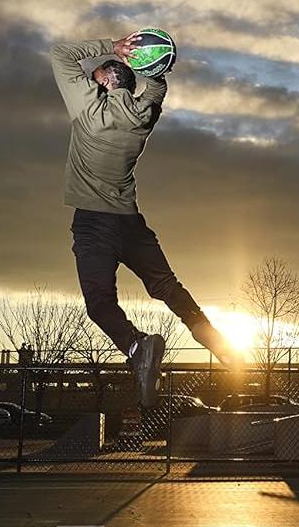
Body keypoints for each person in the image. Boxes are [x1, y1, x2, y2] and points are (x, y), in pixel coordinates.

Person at [49, 32, 239, 409]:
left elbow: (61, 54)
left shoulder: (89, 112)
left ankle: (138, 346)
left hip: (94, 223)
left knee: (100, 303)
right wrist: (151, 64)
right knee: (166, 285)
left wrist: (113, 46)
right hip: (131, 224)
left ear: (107, 81)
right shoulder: (143, 117)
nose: (91, 82)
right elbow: (156, 87)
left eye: (96, 78)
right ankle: (216, 341)